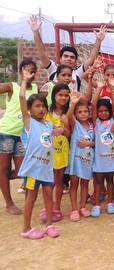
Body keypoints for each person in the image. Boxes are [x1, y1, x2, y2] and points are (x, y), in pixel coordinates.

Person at [18, 67, 59, 239]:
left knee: (48, 196)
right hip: (34, 169)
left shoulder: (48, 125)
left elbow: (59, 130)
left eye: (43, 106)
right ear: (29, 109)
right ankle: (26, 229)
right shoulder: (29, 122)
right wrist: (25, 81)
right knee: (31, 197)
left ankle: (49, 224)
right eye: (37, 106)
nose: (41, 109)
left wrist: (61, 130)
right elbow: (21, 97)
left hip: (47, 168)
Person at [0, 58, 39, 214]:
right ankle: (9, 203)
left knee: (23, 170)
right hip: (6, 133)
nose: (30, 73)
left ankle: (28, 201)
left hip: (24, 136)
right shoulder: (12, 86)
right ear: (20, 71)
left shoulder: (36, 88)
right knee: (4, 168)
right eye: (27, 70)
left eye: (32, 71)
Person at [29, 15, 107, 91]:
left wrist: (98, 40)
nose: (69, 59)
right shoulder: (53, 69)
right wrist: (36, 32)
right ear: (60, 58)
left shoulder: (77, 72)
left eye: (72, 57)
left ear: (76, 61)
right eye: (66, 56)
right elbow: (42, 53)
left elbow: (91, 59)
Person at [39, 83, 70, 222]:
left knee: (59, 180)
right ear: (54, 96)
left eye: (66, 95)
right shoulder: (46, 112)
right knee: (48, 181)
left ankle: (57, 207)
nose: (63, 98)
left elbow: (70, 135)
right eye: (60, 95)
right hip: (48, 151)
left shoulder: (67, 113)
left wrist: (64, 128)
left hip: (62, 151)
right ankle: (47, 206)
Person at [91, 78, 114, 217]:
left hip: (112, 158)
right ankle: (96, 204)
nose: (103, 113)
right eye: (101, 111)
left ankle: (110, 202)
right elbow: (94, 104)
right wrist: (99, 88)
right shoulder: (95, 122)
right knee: (98, 181)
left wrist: (113, 88)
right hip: (99, 159)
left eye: (105, 111)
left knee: (110, 180)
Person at [66, 91, 95, 221]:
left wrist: (89, 143)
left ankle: (82, 206)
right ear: (76, 115)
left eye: (85, 111)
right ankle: (73, 208)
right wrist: (73, 103)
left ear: (89, 113)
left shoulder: (92, 126)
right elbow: (68, 116)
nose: (83, 114)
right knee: (74, 183)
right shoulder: (75, 125)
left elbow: (97, 143)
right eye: (80, 112)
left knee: (85, 184)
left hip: (87, 161)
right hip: (75, 160)